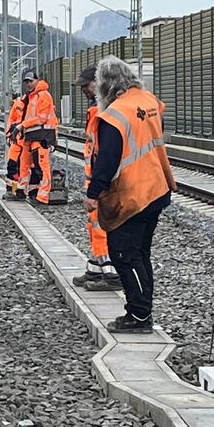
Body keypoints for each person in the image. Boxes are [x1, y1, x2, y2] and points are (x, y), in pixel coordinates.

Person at [84, 55, 176, 333]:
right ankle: (142, 310)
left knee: (123, 254)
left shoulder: (114, 114)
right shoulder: (148, 101)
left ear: (106, 85)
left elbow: (108, 158)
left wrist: (94, 192)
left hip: (134, 194)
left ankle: (138, 315)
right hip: (157, 187)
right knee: (140, 253)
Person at [72, 66, 120, 291]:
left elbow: (105, 151)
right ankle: (96, 266)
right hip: (95, 179)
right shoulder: (96, 109)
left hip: (103, 181)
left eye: (86, 84)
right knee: (94, 222)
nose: (83, 89)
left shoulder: (106, 110)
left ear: (98, 83)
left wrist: (99, 184)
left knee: (101, 223)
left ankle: (110, 273)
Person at [11, 69, 57, 204]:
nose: (29, 84)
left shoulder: (43, 95)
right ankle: (22, 191)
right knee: (24, 165)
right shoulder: (31, 97)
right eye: (27, 82)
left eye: (31, 81)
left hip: (42, 136)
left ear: (37, 80)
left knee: (42, 166)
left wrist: (21, 126)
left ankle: (43, 196)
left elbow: (42, 118)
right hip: (31, 135)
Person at [2, 91, 28, 200]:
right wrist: (8, 135)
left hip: (29, 143)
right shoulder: (18, 103)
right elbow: (11, 120)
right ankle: (12, 191)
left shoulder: (37, 102)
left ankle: (23, 192)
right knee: (12, 167)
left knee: (26, 169)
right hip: (17, 142)